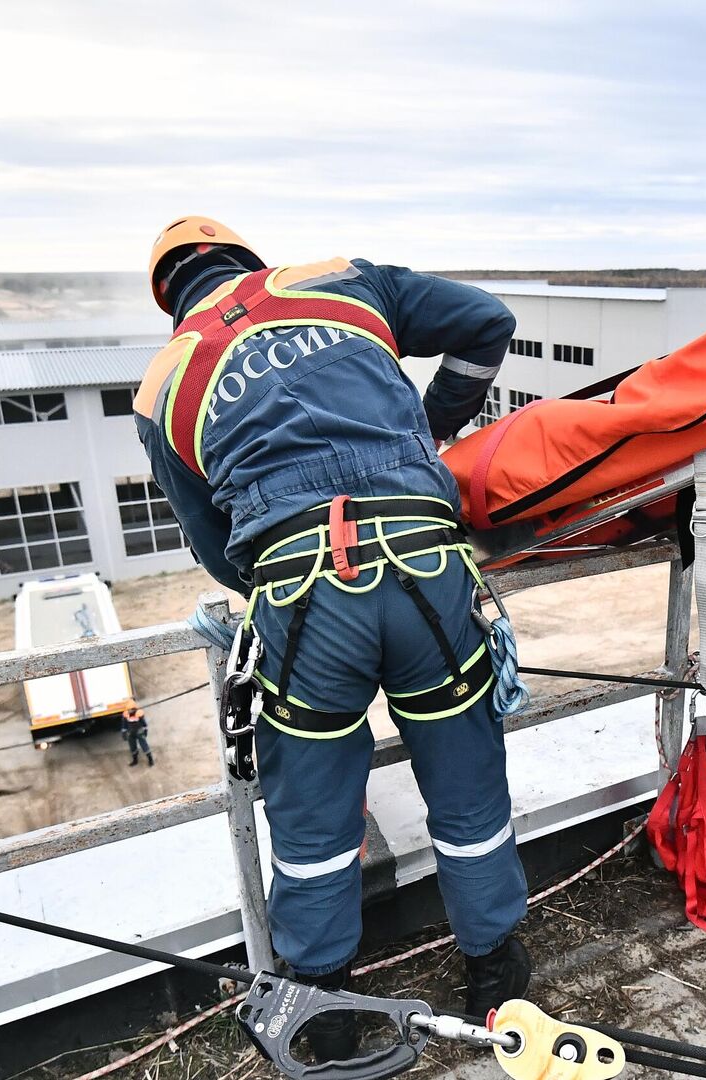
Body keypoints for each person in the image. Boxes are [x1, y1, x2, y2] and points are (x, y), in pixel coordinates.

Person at [132, 217, 531, 1060]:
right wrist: (430, 430)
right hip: (432, 571)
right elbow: (486, 322)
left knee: (312, 815)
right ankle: (496, 975)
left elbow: (216, 547)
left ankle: (327, 1004)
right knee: (465, 786)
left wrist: (292, 589)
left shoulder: (162, 384)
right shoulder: (339, 277)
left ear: (169, 295)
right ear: (246, 257)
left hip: (301, 592)